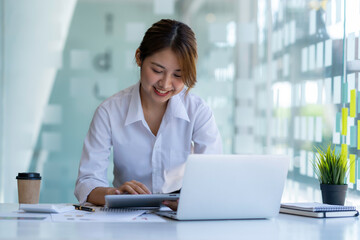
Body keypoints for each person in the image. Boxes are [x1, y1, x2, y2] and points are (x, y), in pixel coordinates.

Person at [74, 19, 222, 209]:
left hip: (180, 217)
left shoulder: (198, 111)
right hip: (126, 219)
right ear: (139, 58)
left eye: (178, 75)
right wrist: (116, 193)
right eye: (157, 70)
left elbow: (214, 176)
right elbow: (87, 182)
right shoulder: (109, 112)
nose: (166, 84)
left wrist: (192, 201)